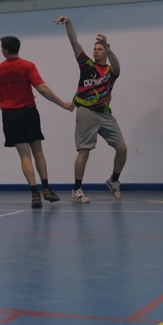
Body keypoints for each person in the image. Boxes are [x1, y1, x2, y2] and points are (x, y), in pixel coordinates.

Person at [0, 36, 75, 209]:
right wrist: (63, 104)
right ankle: (46, 189)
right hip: (28, 112)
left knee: (24, 156)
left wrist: (10, 93)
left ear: (5, 50)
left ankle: (34, 194)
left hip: (10, 115)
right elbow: (42, 88)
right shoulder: (27, 66)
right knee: (37, 151)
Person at [54, 16, 126, 203]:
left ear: (106, 51)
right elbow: (74, 42)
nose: (96, 50)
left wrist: (108, 47)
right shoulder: (86, 64)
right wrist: (68, 24)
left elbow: (118, 66)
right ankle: (76, 190)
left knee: (122, 148)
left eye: (99, 49)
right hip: (86, 111)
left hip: (105, 113)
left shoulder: (111, 71)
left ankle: (113, 180)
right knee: (84, 151)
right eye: (95, 48)